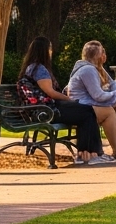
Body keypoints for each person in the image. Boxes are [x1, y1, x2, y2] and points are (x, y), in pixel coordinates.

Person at [20, 36, 110, 165]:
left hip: (48, 108)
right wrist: (69, 99)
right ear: (44, 50)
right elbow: (50, 92)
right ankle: (89, 154)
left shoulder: (34, 67)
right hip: (47, 111)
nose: (51, 51)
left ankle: (88, 154)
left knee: (87, 111)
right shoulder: (38, 69)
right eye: (50, 48)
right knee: (87, 112)